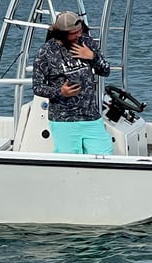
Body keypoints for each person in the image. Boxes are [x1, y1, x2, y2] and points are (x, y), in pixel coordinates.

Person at [32, 11, 113, 155]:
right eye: (74, 33)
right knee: (70, 163)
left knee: (104, 155)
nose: (79, 35)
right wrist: (60, 92)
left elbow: (106, 71)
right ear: (62, 34)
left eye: (80, 30)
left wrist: (92, 57)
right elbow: (38, 87)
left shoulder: (87, 42)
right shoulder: (45, 52)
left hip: (91, 116)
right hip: (64, 120)